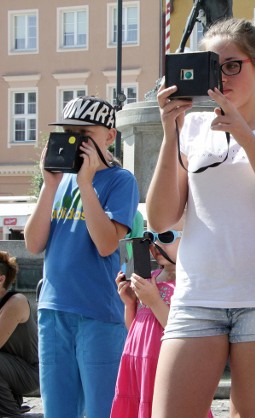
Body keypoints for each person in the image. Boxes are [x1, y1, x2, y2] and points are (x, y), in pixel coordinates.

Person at [147, 18, 255, 418]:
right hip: (197, 296)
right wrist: (170, 133)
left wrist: (244, 135)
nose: (222, 76)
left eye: (232, 65)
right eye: (213, 65)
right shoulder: (192, 131)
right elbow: (160, 218)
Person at [24, 96, 140, 418]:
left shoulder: (121, 181)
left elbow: (106, 245)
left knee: (100, 409)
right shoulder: (61, 182)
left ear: (109, 136)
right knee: (57, 410)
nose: (74, 142)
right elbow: (33, 244)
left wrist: (87, 185)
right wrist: (49, 187)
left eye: (83, 134)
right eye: (68, 133)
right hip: (53, 309)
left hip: (97, 313)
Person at [111, 227, 213, 418]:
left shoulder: (189, 282)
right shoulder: (152, 278)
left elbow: (182, 332)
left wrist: (155, 301)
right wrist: (129, 303)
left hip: (166, 365)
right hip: (138, 363)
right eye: (151, 238)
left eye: (166, 237)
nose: (155, 245)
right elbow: (135, 327)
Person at [0, 251, 39, 416]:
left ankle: (10, 413)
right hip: (10, 369)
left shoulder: (16, 302)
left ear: (1, 279)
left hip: (31, 374)